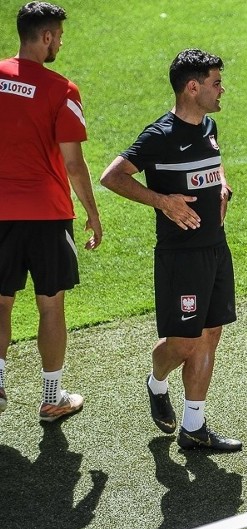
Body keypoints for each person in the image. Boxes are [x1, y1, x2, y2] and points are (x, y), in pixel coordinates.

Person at [100, 49, 240, 451]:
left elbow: (215, 160)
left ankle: (194, 427)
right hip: (181, 256)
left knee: (210, 334)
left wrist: (222, 184)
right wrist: (163, 201)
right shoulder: (160, 135)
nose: (221, 89)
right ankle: (155, 381)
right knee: (183, 343)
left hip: (216, 248)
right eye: (215, 83)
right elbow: (112, 177)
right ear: (192, 87)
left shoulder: (209, 125)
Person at [0, 2, 102, 422]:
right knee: (50, 306)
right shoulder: (63, 90)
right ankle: (51, 397)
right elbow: (74, 164)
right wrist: (93, 213)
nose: (60, 41)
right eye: (58, 35)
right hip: (46, 214)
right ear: (45, 37)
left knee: (0, 304)